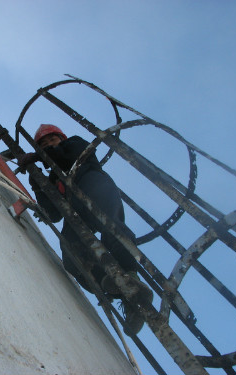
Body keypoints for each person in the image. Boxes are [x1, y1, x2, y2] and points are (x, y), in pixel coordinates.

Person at [18, 124, 153, 336]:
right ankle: (114, 289)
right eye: (42, 144)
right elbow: (53, 213)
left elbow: (67, 157)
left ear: (60, 138)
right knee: (70, 251)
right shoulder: (54, 178)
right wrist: (37, 184)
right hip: (74, 206)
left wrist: (37, 157)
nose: (47, 145)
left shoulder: (75, 142)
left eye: (50, 141)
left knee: (111, 225)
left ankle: (131, 275)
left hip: (92, 183)